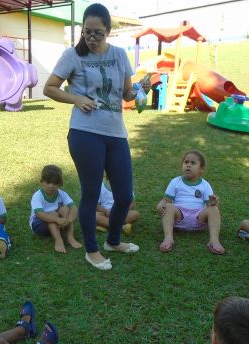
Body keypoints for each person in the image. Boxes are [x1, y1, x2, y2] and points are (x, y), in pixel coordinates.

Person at [44, 2, 148, 270]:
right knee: (91, 193)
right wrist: (76, 98)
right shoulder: (73, 56)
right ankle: (92, 250)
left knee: (124, 195)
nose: (91, 38)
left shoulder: (120, 55)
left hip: (116, 134)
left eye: (97, 33)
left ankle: (113, 241)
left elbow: (125, 94)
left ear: (108, 31)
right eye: (86, 32)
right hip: (85, 133)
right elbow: (50, 88)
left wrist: (138, 89)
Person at [156, 150, 225, 255]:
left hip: (198, 218)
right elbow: (167, 200)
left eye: (193, 163)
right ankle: (168, 238)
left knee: (214, 209)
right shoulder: (175, 182)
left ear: (201, 169)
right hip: (179, 217)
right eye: (186, 162)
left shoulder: (205, 185)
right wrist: (161, 203)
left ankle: (214, 240)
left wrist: (213, 203)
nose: (188, 165)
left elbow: (208, 206)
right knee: (169, 207)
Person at [29, 164, 82, 253]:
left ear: (60, 184)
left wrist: (69, 220)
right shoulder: (37, 196)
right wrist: (57, 219)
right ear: (41, 182)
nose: (51, 186)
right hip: (39, 225)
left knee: (65, 209)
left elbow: (73, 208)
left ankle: (70, 237)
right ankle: (58, 240)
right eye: (48, 182)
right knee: (52, 213)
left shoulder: (62, 194)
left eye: (55, 183)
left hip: (58, 224)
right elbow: (39, 214)